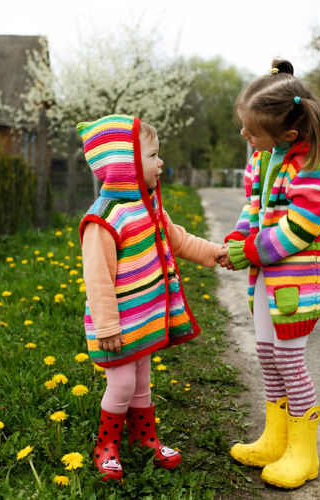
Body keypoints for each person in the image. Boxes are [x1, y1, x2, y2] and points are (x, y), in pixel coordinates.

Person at [220, 59, 320, 489]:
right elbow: (253, 209)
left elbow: (297, 231)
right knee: (267, 354)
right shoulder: (263, 159)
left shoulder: (316, 171)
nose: (245, 136)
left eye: (252, 130)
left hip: (298, 280)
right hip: (267, 276)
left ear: (290, 134)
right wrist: (240, 239)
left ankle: (304, 453)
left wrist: (251, 252)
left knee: (290, 359)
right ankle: (275, 439)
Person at [78, 114, 228, 482]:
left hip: (142, 318)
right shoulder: (105, 218)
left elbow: (179, 239)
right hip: (115, 324)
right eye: (153, 155)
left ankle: (145, 441)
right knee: (123, 383)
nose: (160, 163)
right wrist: (107, 326)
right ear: (125, 164)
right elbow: (97, 278)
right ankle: (106, 446)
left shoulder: (149, 207)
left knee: (142, 381)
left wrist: (216, 253)